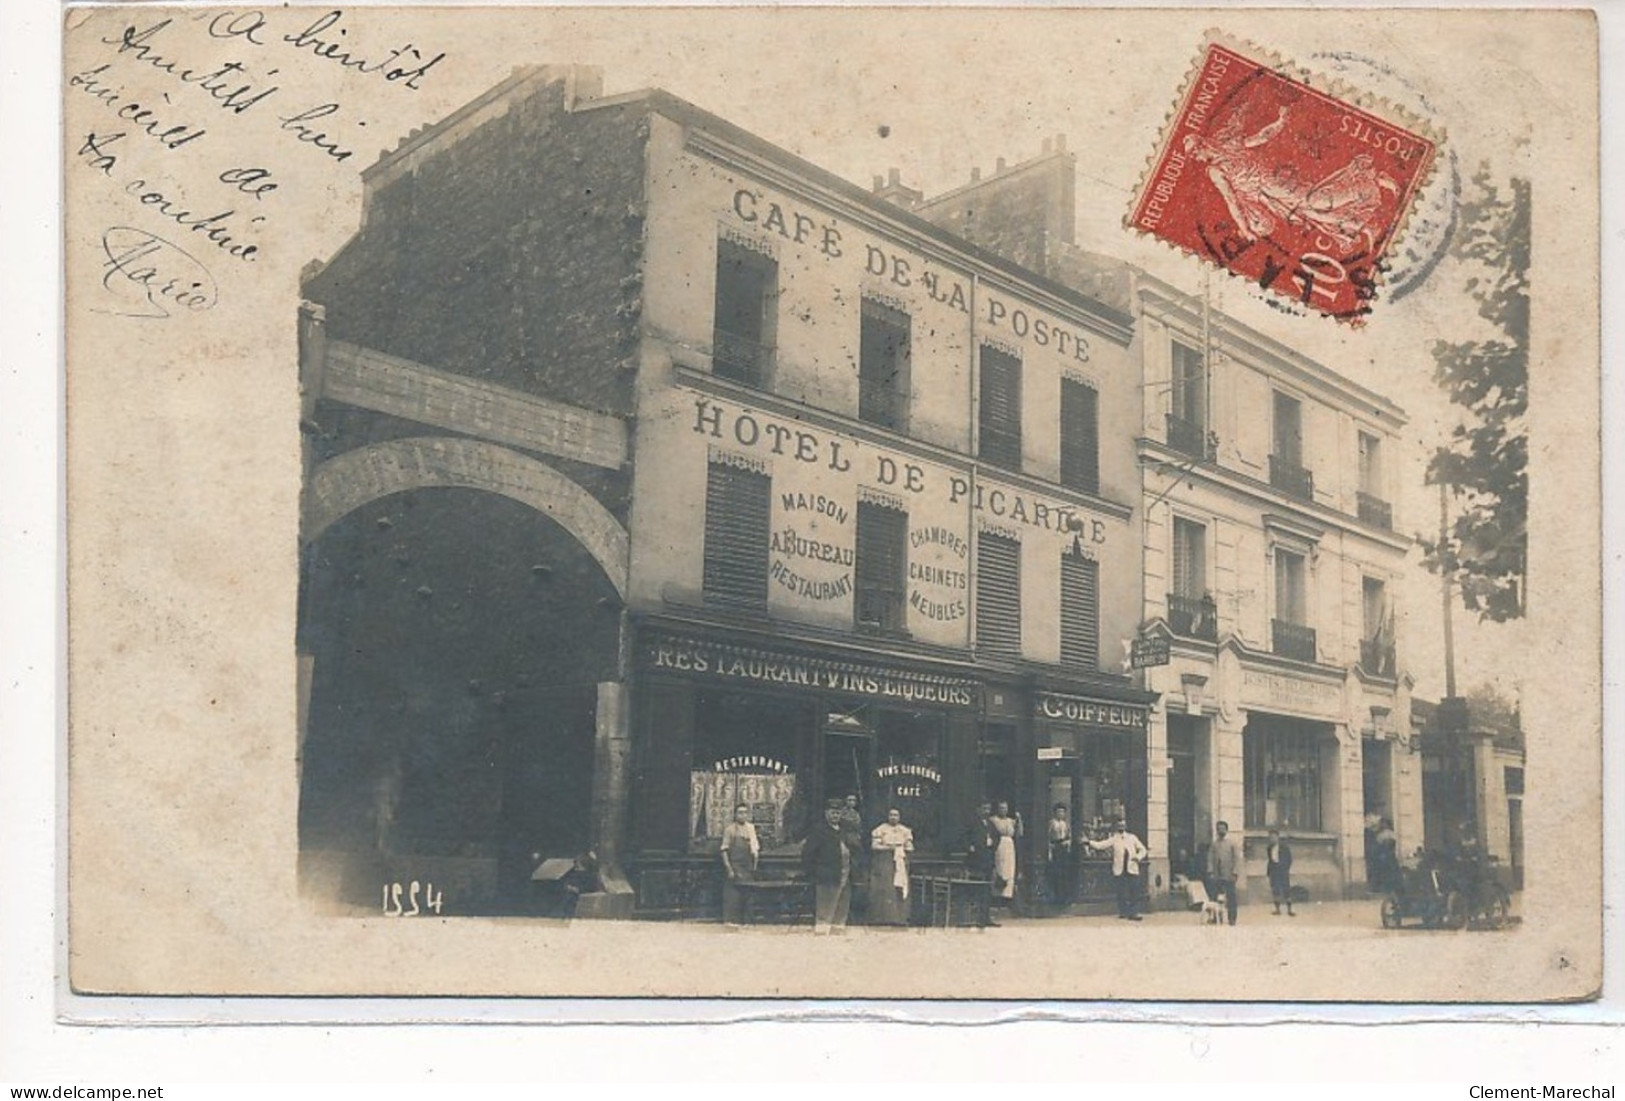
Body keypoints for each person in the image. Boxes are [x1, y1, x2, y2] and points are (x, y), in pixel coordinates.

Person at [802, 797, 861, 934]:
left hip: (845, 871)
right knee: (826, 902)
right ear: (826, 813)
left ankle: (838, 928)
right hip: (827, 873)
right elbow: (808, 854)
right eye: (833, 813)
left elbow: (855, 848)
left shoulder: (844, 830)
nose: (835, 816)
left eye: (838, 813)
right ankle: (822, 930)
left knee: (843, 901)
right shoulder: (819, 831)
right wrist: (814, 872)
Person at [1086, 818, 1149, 920]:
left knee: (1134, 891)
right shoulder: (1114, 838)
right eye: (1119, 825)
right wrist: (1089, 842)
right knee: (1121, 892)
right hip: (1119, 869)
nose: (1121, 827)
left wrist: (1138, 857)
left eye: (1123, 825)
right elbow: (1101, 845)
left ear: (1126, 826)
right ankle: (1123, 912)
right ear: (1116, 827)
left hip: (1131, 868)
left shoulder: (1132, 838)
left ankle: (1134, 913)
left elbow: (1143, 849)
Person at [868, 808, 915, 926]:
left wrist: (902, 848)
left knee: (899, 888)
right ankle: (882, 918)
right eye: (891, 815)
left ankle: (900, 918)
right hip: (884, 863)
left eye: (896, 815)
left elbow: (910, 847)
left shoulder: (904, 830)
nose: (893, 817)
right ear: (888, 816)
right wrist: (890, 847)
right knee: (885, 889)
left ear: (899, 817)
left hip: (900, 863)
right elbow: (874, 846)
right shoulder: (881, 829)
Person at [719, 802, 760, 926]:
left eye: (745, 813)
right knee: (733, 895)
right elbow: (724, 850)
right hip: (735, 865)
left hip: (747, 866)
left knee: (748, 895)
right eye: (740, 813)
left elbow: (755, 849)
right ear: (735, 815)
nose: (743, 815)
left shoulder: (751, 829)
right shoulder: (730, 830)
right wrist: (729, 868)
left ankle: (747, 921)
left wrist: (755, 866)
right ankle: (731, 921)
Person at [1208, 820, 1245, 925]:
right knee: (1215, 898)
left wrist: (1235, 873)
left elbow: (1237, 859)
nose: (1221, 831)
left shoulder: (1232, 844)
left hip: (1229, 875)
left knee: (1231, 897)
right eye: (1219, 829)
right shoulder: (1214, 844)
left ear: (1226, 830)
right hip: (1217, 875)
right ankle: (1216, 918)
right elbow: (1210, 858)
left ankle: (1232, 918)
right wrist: (1210, 871)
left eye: (1223, 829)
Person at [988, 801, 1022, 904]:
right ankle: (997, 895)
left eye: (1005, 808)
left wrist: (1019, 820)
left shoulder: (1011, 821)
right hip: (999, 843)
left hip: (1009, 845)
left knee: (1009, 869)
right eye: (1001, 808)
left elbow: (1019, 833)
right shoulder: (993, 820)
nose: (1003, 810)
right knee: (1000, 868)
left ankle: (1007, 895)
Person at [1046, 803, 1073, 907]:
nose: (1061, 814)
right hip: (1055, 847)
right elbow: (1048, 837)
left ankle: (1064, 898)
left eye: (1062, 812)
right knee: (1056, 873)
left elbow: (1069, 836)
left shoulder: (1066, 824)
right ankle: (1056, 897)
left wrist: (1068, 844)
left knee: (1064, 873)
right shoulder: (1052, 823)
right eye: (1059, 812)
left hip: (1064, 848)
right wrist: (1050, 851)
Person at [1265, 828, 1295, 917]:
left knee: (1286, 889)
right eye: (1270, 837)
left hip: (1282, 871)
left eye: (1274, 837)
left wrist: (1285, 868)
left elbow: (1289, 859)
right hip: (1274, 871)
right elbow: (1270, 860)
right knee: (1275, 890)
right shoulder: (1269, 848)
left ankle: (1289, 910)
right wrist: (1269, 871)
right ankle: (1277, 909)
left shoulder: (1284, 847)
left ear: (1278, 837)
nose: (1272, 839)